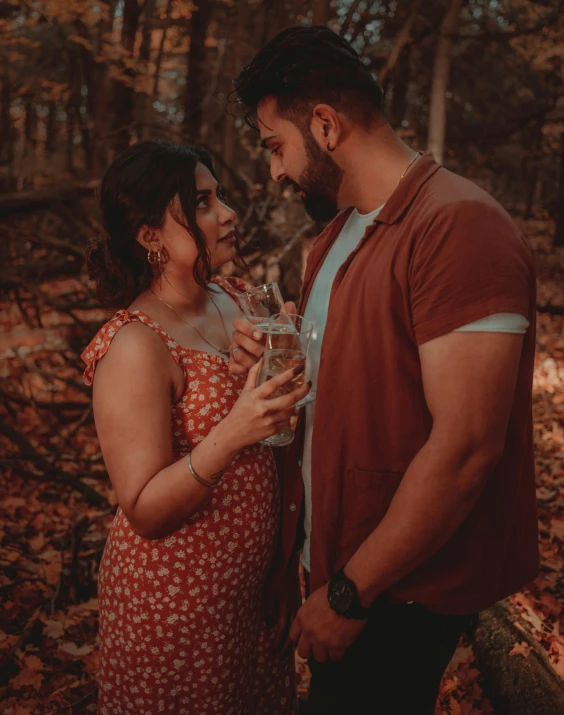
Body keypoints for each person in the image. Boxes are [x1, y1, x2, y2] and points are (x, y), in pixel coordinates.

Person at [228, 26, 539, 714]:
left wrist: (349, 593)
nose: (275, 172)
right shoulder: (335, 237)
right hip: (334, 559)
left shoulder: (458, 227)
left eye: (275, 146)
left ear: (326, 125)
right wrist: (278, 352)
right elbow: (353, 388)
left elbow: (466, 447)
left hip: (395, 588)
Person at [81, 141, 309, 715]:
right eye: (202, 202)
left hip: (252, 596)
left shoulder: (237, 299)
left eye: (220, 197)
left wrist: (281, 568)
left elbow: (281, 431)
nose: (227, 213)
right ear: (149, 234)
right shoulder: (134, 344)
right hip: (174, 611)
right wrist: (233, 431)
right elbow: (145, 509)